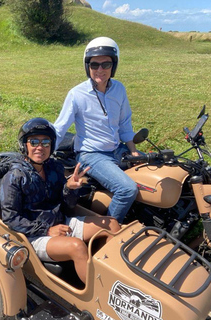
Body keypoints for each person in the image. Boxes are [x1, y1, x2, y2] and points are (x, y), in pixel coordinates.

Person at [0, 118, 120, 284]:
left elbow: (68, 206)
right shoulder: (14, 177)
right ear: (25, 145)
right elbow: (11, 218)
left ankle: (109, 275)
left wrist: (70, 189)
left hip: (61, 222)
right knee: (76, 247)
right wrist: (48, 230)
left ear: (51, 145)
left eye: (45, 142)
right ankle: (98, 297)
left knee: (112, 224)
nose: (40, 147)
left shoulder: (55, 168)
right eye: (34, 142)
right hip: (34, 235)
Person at [53, 36, 139, 223]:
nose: (100, 70)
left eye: (106, 64)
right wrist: (40, 158)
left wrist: (133, 150)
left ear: (113, 66)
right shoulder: (77, 94)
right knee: (127, 189)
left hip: (117, 149)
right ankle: (107, 231)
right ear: (87, 66)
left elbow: (125, 123)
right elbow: (60, 128)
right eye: (94, 65)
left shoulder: (119, 89)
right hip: (91, 154)